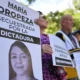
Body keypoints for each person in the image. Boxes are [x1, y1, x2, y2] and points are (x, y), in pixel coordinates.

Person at [35, 11, 67, 80]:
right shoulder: (28, 37)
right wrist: (39, 50)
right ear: (35, 18)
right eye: (43, 17)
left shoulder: (51, 37)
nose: (46, 21)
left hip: (57, 76)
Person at [55, 14, 80, 80]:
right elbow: (61, 53)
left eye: (73, 20)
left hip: (77, 68)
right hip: (68, 70)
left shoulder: (73, 37)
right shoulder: (59, 35)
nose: (72, 22)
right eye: (70, 20)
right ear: (63, 23)